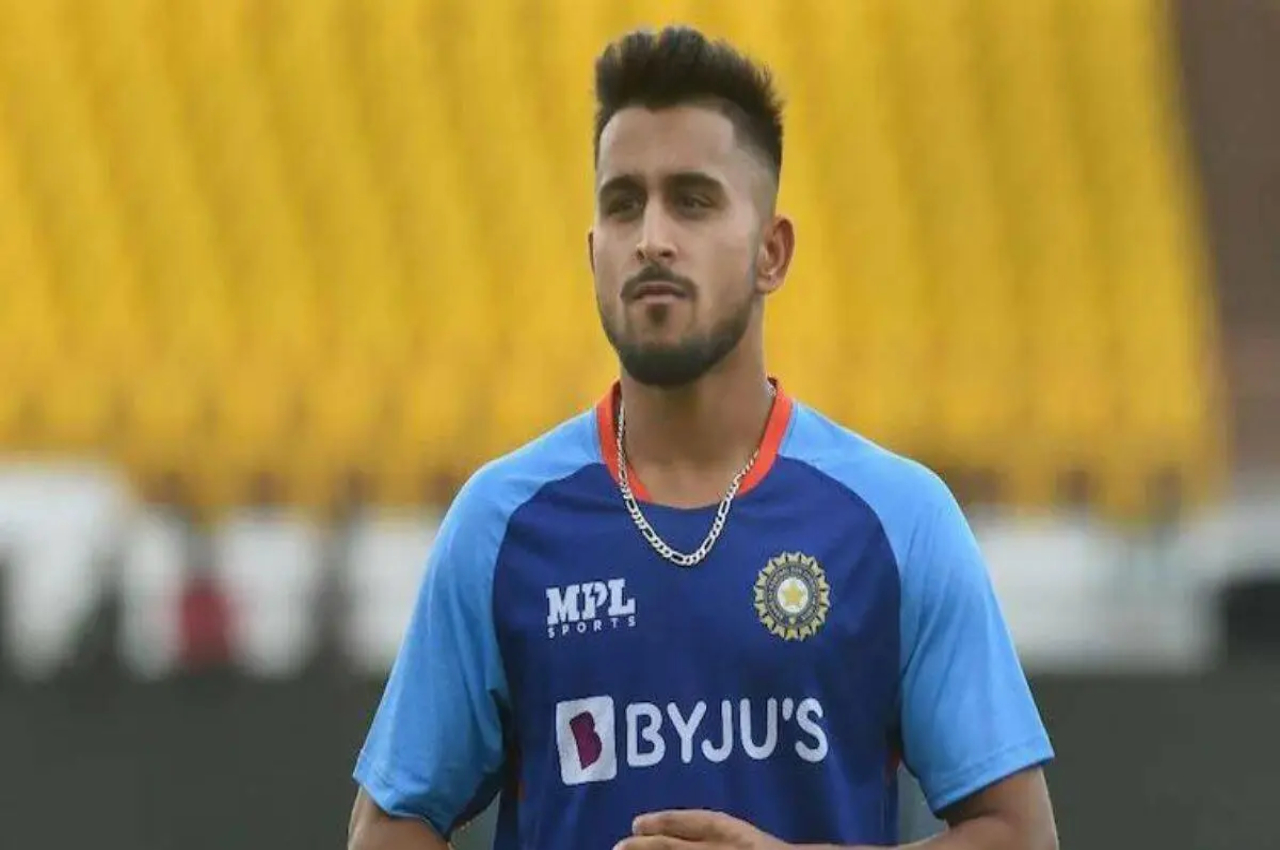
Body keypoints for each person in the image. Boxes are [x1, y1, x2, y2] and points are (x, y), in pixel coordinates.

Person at [347, 25, 1058, 850]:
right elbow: (388, 825)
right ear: (594, 254)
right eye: (623, 204)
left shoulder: (896, 520)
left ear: (771, 253)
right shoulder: (502, 523)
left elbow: (1019, 834)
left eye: (692, 200)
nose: (652, 237)